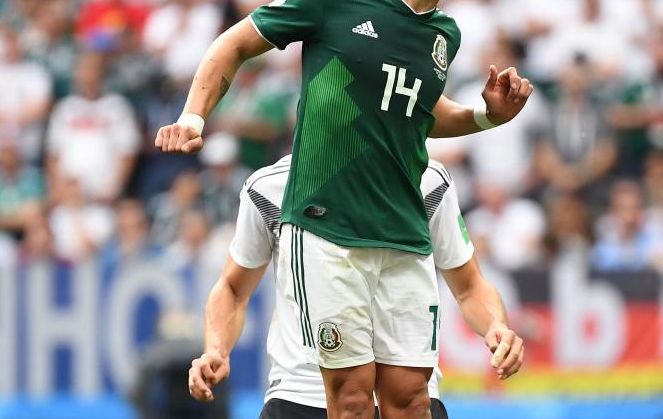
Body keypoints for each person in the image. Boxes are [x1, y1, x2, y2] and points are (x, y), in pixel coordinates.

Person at [157, 0, 533, 417]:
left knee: (410, 400)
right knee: (352, 398)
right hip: (327, 228)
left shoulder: (443, 35)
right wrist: (194, 116)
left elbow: (421, 109)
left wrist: (486, 116)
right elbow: (234, 44)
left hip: (401, 231)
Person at [187, 156, 524, 418]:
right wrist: (216, 348)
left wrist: (497, 326)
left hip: (407, 399)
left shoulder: (428, 181)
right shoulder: (270, 187)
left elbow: (468, 286)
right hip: (302, 394)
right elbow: (233, 288)